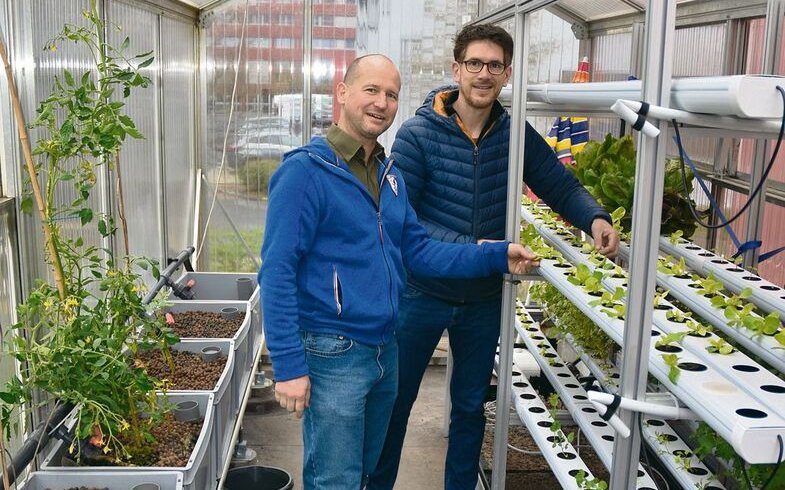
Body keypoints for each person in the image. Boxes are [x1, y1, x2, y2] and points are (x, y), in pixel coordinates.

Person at [259, 53, 539, 490]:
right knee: (335, 479)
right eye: (371, 90)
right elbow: (276, 273)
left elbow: (420, 250)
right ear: (342, 93)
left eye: (391, 94)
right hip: (334, 353)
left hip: (383, 349)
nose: (382, 103)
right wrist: (289, 366)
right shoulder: (304, 173)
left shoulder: (388, 175)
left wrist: (495, 256)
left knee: (368, 471)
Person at [367, 25, 620, 490]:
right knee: (394, 403)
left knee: (469, 407)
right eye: (475, 64)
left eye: (495, 66)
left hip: (483, 300)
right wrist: (481, 252)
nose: (484, 74)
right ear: (456, 70)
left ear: (507, 74)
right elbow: (406, 224)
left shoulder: (514, 133)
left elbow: (558, 183)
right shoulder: (418, 135)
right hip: (421, 294)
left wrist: (594, 218)